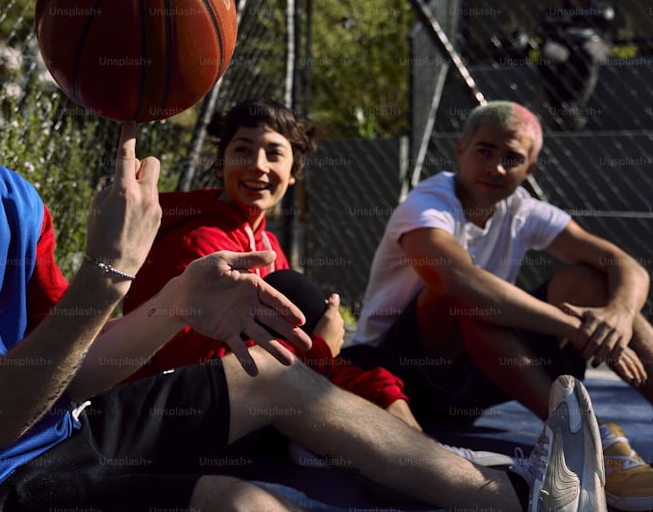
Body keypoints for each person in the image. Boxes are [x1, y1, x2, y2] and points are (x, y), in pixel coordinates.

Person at [0, 0, 605, 512]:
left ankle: (517, 497)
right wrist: (109, 274)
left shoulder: (8, 195)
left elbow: (70, 363)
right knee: (247, 510)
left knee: (268, 376)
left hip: (48, 445)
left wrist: (176, 302)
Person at [122, 98, 507, 466]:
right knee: (296, 292)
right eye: (242, 150)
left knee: (369, 369)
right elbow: (193, 371)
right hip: (185, 418)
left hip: (251, 390)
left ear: (293, 174)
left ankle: (428, 457)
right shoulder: (200, 240)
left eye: (274, 153)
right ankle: (416, 465)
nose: (257, 165)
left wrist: (323, 355)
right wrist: (320, 349)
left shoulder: (264, 240)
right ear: (222, 162)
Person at [349, 99, 653, 512]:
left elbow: (623, 264)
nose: (496, 167)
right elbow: (457, 281)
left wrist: (618, 316)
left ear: (530, 168)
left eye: (512, 158)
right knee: (465, 298)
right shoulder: (427, 202)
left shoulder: (523, 210)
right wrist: (576, 327)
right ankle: (580, 436)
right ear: (460, 150)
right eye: (485, 151)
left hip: (479, 370)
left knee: (591, 281)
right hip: (402, 371)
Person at [536, 0, 614, 130]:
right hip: (563, 44)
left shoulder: (598, 11)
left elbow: (605, 22)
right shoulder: (557, 13)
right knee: (550, 56)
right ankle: (558, 107)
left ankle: (574, 107)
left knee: (588, 55)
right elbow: (545, 28)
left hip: (591, 43)